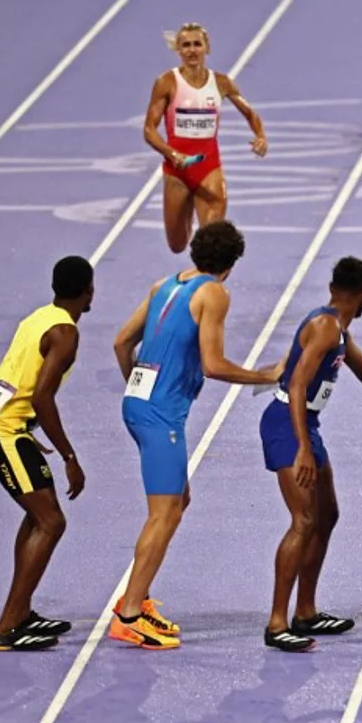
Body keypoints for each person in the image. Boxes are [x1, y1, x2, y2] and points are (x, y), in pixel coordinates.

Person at [110, 220, 281, 650]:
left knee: (176, 502)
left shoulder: (162, 285)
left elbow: (120, 343)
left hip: (138, 404)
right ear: (231, 265)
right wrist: (266, 375)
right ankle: (129, 614)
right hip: (160, 416)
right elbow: (213, 364)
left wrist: (139, 391)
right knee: (163, 513)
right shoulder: (214, 294)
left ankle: (138, 596)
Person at [259, 257, 362, 652]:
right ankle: (277, 623)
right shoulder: (326, 328)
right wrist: (302, 450)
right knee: (303, 520)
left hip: (304, 425)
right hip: (287, 424)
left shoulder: (338, 329)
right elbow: (297, 387)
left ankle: (307, 612)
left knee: (326, 516)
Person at [0, 256, 94, 651]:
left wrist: (25, 428)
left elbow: (13, 376)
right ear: (88, 291)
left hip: (5, 427)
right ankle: (8, 627)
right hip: (3, 432)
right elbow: (42, 395)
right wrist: (69, 457)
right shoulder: (65, 334)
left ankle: (21, 611)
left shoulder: (37, 318)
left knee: (39, 515)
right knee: (51, 522)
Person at [144, 23, 268, 254]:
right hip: (177, 171)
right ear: (178, 50)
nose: (192, 50)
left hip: (209, 168)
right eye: (186, 45)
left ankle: (208, 284)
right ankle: (188, 203)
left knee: (213, 249)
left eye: (197, 44)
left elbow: (250, 113)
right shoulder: (167, 82)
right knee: (177, 245)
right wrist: (172, 154)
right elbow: (149, 130)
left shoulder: (221, 83)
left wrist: (260, 135)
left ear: (207, 48)